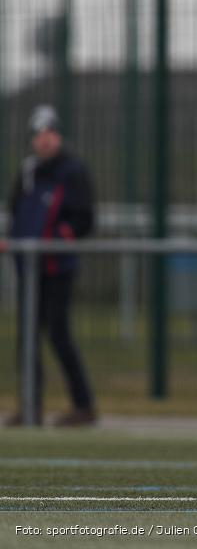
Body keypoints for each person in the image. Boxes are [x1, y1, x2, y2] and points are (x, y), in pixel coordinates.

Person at [6, 105, 97, 427]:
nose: (44, 140)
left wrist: (58, 239)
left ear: (58, 136)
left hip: (58, 267)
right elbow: (17, 212)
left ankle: (84, 406)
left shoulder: (73, 170)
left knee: (59, 334)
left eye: (50, 133)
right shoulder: (28, 171)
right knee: (27, 338)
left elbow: (85, 219)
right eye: (39, 135)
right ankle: (31, 407)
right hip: (29, 269)